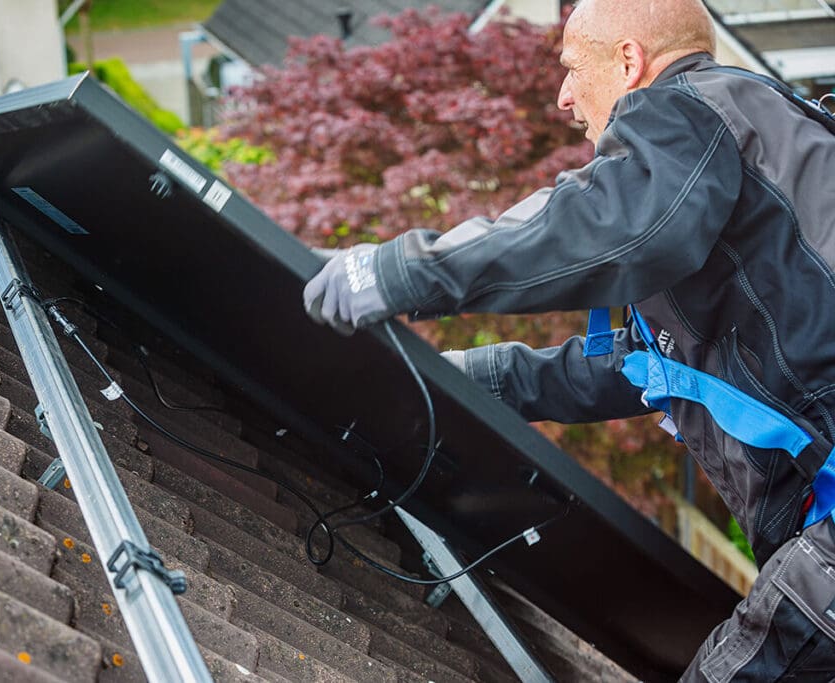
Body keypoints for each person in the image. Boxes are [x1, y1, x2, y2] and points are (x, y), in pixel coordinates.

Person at [302, 0, 835, 679]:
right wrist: (478, 378)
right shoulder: (752, 135)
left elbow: (607, 227)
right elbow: (653, 366)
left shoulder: (686, 111)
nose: (562, 95)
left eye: (572, 67)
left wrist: (400, 272)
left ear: (629, 61)